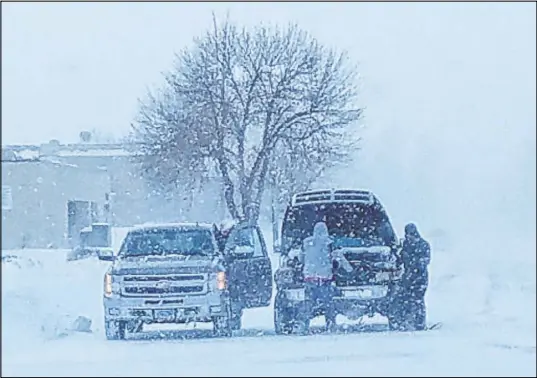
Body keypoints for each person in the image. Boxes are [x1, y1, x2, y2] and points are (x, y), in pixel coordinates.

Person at [301, 222, 352, 332]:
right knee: (328, 303)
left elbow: (301, 258)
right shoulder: (329, 243)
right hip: (325, 279)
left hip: (309, 278)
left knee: (308, 303)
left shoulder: (306, 243)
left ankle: (303, 325)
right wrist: (349, 269)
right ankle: (330, 324)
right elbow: (339, 258)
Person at [400, 223, 431, 330]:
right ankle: (406, 321)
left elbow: (425, 261)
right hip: (408, 278)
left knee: (418, 300)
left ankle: (420, 324)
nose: (409, 237)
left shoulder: (424, 245)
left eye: (411, 234)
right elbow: (402, 258)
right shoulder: (405, 244)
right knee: (406, 300)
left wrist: (414, 265)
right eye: (407, 234)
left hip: (420, 278)